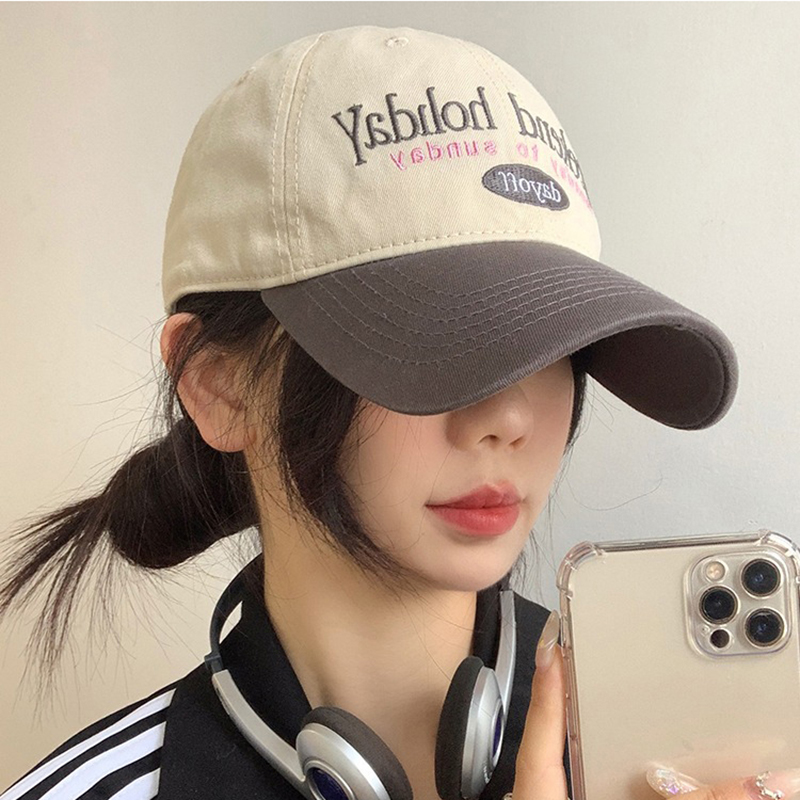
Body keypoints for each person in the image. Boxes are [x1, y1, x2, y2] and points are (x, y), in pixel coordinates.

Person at [3, 22, 795, 800]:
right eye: (427, 339)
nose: (509, 419)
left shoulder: (705, 760)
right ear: (218, 387)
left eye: (548, 339)